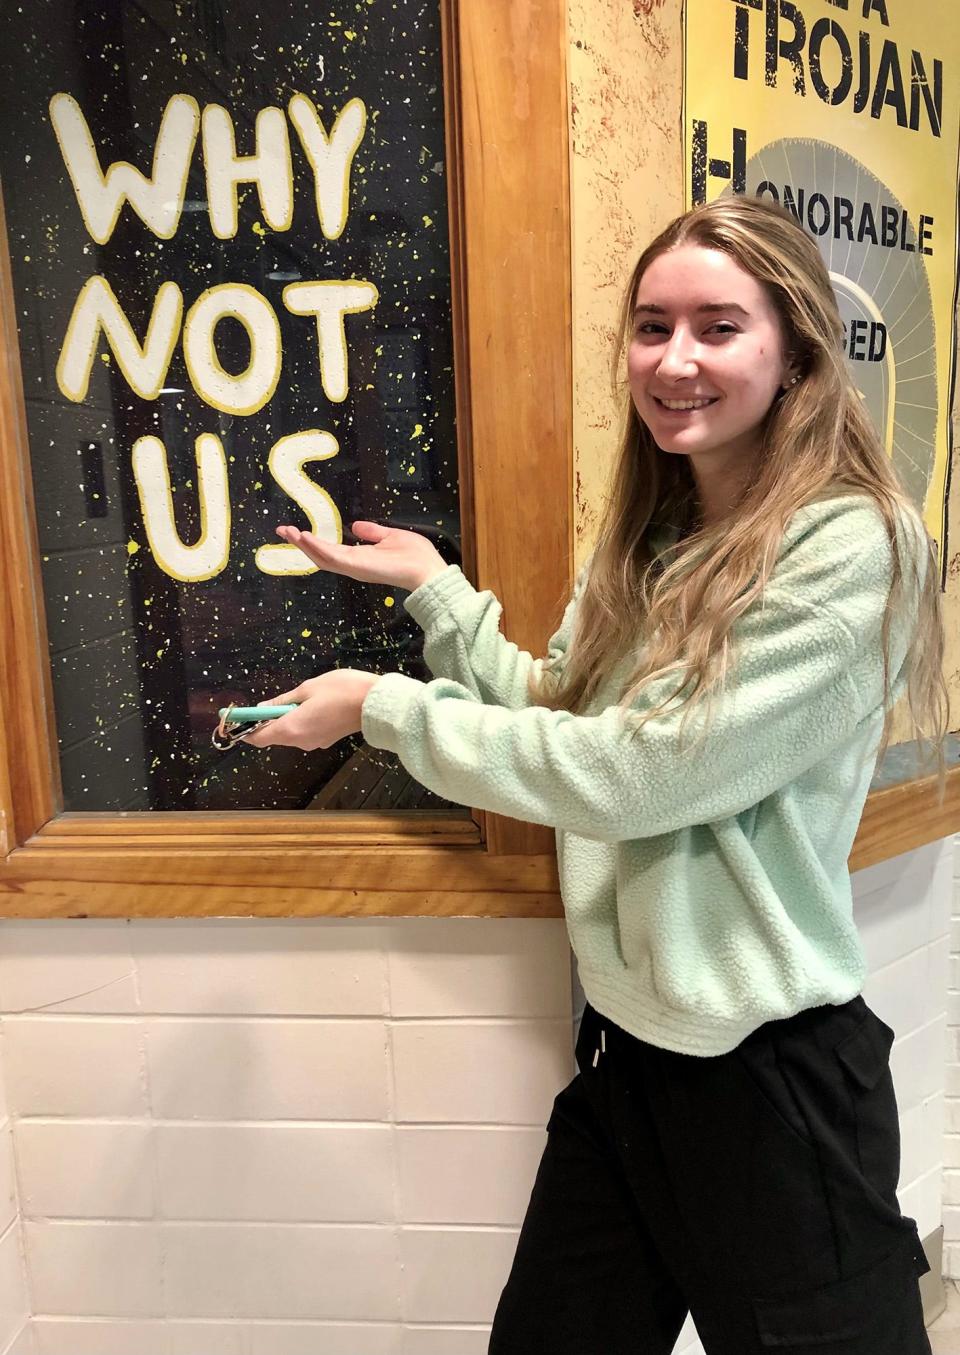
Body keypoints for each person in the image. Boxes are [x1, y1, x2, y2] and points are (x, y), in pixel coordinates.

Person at [242, 194, 947, 1353]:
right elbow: (560, 714)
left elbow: (640, 776)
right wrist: (436, 591)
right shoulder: (653, 536)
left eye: (719, 327)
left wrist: (383, 709)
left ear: (798, 349)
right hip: (627, 1061)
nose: (675, 360)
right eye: (651, 324)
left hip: (771, 1091)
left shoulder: (854, 544)